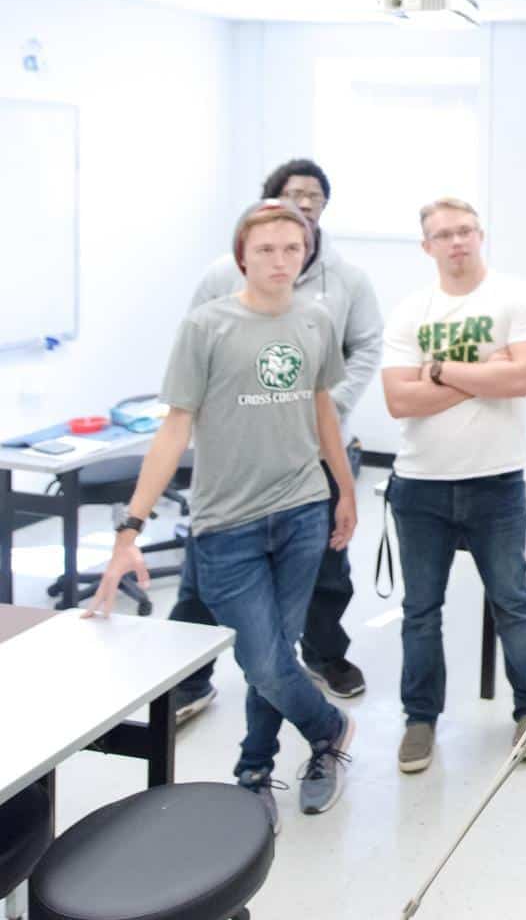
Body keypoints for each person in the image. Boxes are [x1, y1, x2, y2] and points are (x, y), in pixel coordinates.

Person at [89, 200, 361, 833]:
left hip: (301, 512)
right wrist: (131, 526)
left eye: (292, 248)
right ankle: (329, 729)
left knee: (280, 654)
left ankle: (253, 772)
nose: (279, 260)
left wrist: (344, 492)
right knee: (263, 660)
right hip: (226, 527)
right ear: (243, 255)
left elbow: (323, 411)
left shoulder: (318, 320)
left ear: (307, 253)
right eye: (266, 248)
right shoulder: (206, 326)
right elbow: (174, 428)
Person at [169, 158, 382, 724]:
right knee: (201, 584)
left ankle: (323, 658)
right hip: (236, 467)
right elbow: (197, 355)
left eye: (315, 196)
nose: (305, 203)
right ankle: (189, 680)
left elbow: (364, 349)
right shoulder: (221, 276)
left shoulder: (347, 281)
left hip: (316, 452)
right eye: (294, 194)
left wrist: (324, 406)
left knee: (327, 574)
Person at [381, 197, 526, 775]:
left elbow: (525, 376)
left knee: (513, 603)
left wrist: (437, 370)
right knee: (421, 610)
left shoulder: (518, 297)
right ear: (426, 246)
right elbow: (398, 398)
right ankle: (419, 720)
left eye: (465, 231)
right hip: (420, 484)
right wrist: (485, 376)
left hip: (495, 483)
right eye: (443, 235)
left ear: (482, 235)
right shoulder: (410, 311)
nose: (456, 242)